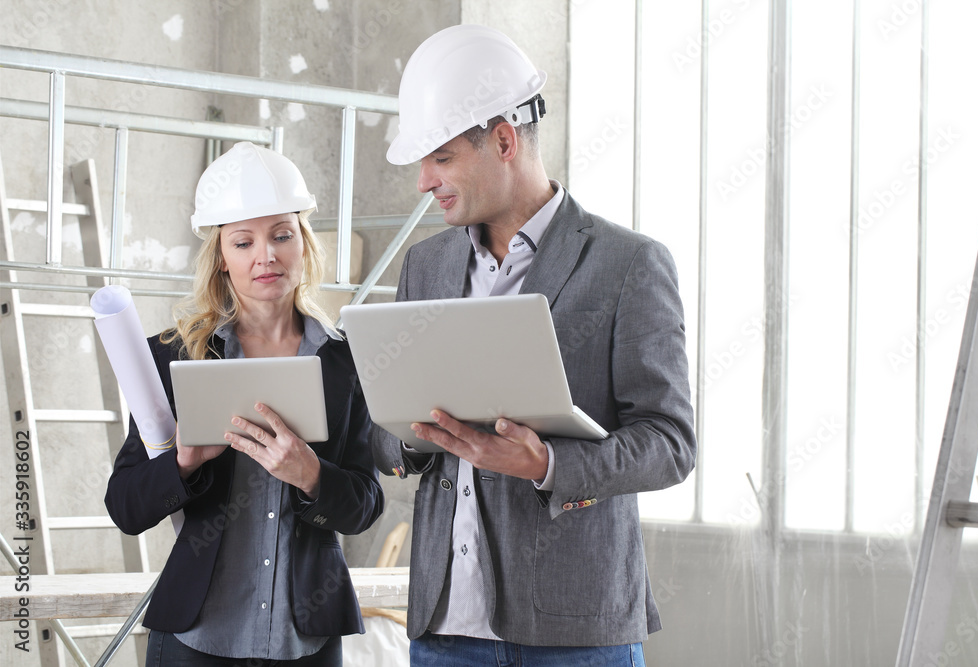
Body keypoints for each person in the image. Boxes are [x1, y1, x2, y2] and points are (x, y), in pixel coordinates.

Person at [371, 24, 697, 666]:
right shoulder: (426, 267)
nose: (423, 182)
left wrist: (547, 463)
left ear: (502, 140)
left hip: (573, 631)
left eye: (440, 158)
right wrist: (412, 434)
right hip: (444, 630)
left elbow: (669, 443)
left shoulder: (627, 264)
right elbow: (384, 435)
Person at [105, 141, 384, 666]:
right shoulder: (174, 357)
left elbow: (365, 505)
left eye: (282, 235)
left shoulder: (346, 363)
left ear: (303, 243)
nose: (267, 256)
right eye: (243, 242)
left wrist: (312, 476)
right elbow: (125, 505)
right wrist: (182, 462)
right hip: (196, 640)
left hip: (307, 641)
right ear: (221, 258)